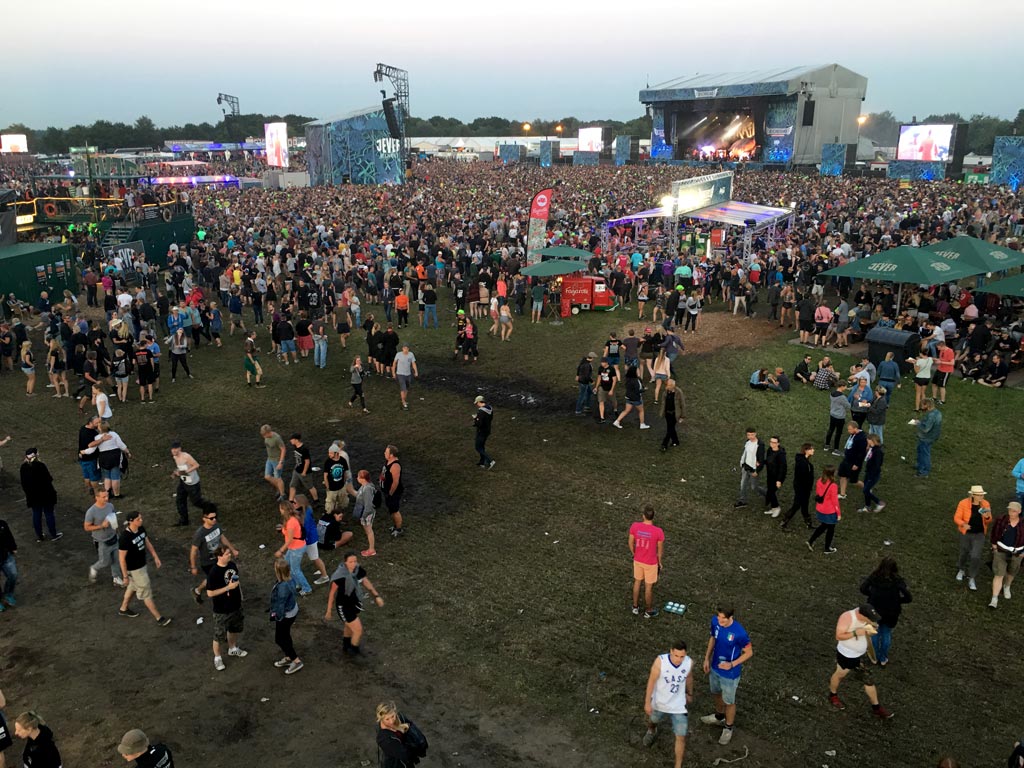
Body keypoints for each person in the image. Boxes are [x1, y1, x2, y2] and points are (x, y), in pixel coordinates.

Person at [699, 604, 752, 746]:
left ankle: (728, 727)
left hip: (730, 674)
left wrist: (731, 664)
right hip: (715, 667)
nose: (719, 620)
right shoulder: (715, 622)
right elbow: (713, 638)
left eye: (723, 618)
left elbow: (749, 652)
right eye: (718, 616)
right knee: (716, 692)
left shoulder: (739, 633)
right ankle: (719, 716)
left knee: (729, 701)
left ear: (731, 618)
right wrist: (706, 658)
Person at [642, 640, 694, 768]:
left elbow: (689, 677)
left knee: (681, 736)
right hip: (660, 701)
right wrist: (647, 702)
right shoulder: (660, 662)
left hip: (678, 705)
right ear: (671, 651)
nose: (679, 660)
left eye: (682, 656)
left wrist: (690, 693)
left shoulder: (688, 662)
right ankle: (651, 730)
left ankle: (678, 765)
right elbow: (651, 681)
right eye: (676, 656)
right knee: (653, 719)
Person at [324, 552, 385, 655]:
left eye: (355, 561)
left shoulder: (357, 569)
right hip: (344, 607)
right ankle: (354, 650)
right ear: (345, 562)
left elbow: (365, 581)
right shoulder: (340, 576)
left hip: (354, 603)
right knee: (358, 630)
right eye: (350, 562)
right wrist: (329, 611)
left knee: (349, 627)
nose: (353, 564)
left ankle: (346, 646)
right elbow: (332, 594)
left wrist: (376, 596)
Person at [117, 511, 171, 626]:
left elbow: (148, 543)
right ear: (131, 521)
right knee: (146, 592)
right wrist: (125, 576)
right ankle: (159, 618)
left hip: (141, 565)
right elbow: (121, 559)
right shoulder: (125, 538)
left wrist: (155, 556)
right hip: (135, 569)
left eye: (141, 518)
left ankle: (123, 608)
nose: (141, 520)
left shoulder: (141, 529)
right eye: (138, 519)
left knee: (132, 586)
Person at [859, 558, 912, 666]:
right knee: (886, 633)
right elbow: (908, 597)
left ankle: (874, 657)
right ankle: (883, 658)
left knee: (874, 634)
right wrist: (899, 601)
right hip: (891, 612)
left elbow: (863, 588)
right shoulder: (897, 580)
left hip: (875, 609)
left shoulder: (874, 577)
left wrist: (871, 595)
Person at [206, 544, 247, 671]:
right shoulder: (214, 572)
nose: (230, 555)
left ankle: (232, 648)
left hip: (235, 605)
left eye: (229, 553)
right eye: (227, 554)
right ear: (219, 556)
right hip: (221, 610)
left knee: (234, 629)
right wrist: (228, 588)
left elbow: (236, 581)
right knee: (219, 635)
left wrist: (240, 595)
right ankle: (217, 658)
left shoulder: (232, 566)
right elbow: (210, 593)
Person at [189, 508, 238, 603]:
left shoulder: (216, 526)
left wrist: (233, 549)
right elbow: (193, 551)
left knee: (214, 577)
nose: (214, 520)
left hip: (218, 558)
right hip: (207, 562)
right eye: (211, 518)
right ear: (204, 518)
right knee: (216, 578)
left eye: (215, 517)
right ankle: (221, 597)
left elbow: (222, 538)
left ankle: (197, 590)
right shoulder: (200, 534)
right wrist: (193, 566)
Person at [629, 504, 665, 618]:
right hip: (651, 563)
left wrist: (634, 553)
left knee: (637, 582)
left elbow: (630, 542)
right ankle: (648, 610)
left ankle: (635, 607)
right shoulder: (658, 532)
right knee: (648, 588)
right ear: (653, 517)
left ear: (643, 516)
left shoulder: (635, 526)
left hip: (638, 560)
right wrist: (660, 562)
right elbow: (660, 550)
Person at [954, 485, 992, 592]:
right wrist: (963, 524)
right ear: (972, 495)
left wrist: (987, 517)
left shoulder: (985, 504)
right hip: (966, 533)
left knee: (976, 556)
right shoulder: (963, 503)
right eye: (979, 495)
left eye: (982, 495)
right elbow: (957, 517)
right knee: (964, 552)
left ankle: (972, 577)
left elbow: (989, 520)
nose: (981, 497)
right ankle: (961, 569)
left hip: (979, 534)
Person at [83, 488, 124, 586]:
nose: (106, 498)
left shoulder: (110, 506)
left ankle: (116, 578)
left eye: (107, 496)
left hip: (114, 537)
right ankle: (94, 568)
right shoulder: (91, 511)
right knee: (105, 562)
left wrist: (117, 531)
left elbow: (113, 517)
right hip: (102, 541)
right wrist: (101, 526)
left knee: (116, 559)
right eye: (103, 497)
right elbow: (86, 527)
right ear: (96, 497)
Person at [19, 449, 61, 542]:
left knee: (36, 515)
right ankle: (53, 534)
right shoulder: (40, 465)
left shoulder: (23, 467)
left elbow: (23, 483)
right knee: (49, 514)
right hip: (46, 495)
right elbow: (49, 479)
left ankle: (39, 536)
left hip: (33, 497)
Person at [270, 558, 303, 674]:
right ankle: (289, 657)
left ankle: (296, 660)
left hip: (286, 615)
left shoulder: (283, 586)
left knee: (279, 639)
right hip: (293, 610)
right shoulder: (290, 578)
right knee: (285, 635)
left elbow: (280, 605)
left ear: (278, 571)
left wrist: (277, 616)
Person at [170, 442, 213, 527]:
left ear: (180, 449)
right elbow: (180, 467)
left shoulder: (186, 456)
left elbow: (196, 465)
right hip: (184, 481)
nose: (174, 451)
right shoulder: (175, 457)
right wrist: (176, 473)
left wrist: (184, 472)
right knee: (180, 500)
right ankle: (184, 520)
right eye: (172, 449)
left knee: (196, 502)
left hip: (193, 483)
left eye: (176, 449)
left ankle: (210, 507)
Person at [990, 502, 1024, 609]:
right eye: (1010, 510)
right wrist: (994, 547)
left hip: (1017, 553)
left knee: (1012, 571)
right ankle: (994, 599)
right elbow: (994, 533)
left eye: (1013, 511)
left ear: (1019, 511)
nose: (1011, 513)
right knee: (999, 574)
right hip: (1001, 550)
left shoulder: (1023, 524)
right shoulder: (1001, 520)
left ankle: (1007, 586)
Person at [274, 499, 312, 596]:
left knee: (295, 569)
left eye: (280, 509)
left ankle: (307, 588)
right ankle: (297, 583)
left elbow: (290, 539)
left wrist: (280, 550)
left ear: (284, 509)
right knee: (288, 565)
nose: (280, 510)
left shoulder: (291, 522)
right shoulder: (290, 519)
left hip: (296, 548)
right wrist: (282, 528)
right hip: (294, 547)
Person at [375, 702, 428, 768]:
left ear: (395, 713)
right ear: (381, 718)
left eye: (392, 716)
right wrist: (415, 746)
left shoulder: (400, 717)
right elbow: (405, 755)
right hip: (397, 764)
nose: (391, 721)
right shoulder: (384, 739)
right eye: (387, 719)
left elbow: (411, 725)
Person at [780, 443, 815, 530]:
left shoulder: (803, 461)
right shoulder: (803, 463)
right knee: (797, 505)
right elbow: (803, 478)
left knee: (805, 505)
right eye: (811, 449)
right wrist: (806, 487)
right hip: (802, 488)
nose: (813, 450)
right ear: (806, 450)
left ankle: (808, 523)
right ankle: (784, 522)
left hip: (804, 488)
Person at [807, 466, 840, 554]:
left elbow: (818, 493)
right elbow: (835, 501)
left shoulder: (819, 481)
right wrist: (838, 513)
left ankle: (811, 541)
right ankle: (827, 548)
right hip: (829, 511)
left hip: (820, 508)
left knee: (824, 526)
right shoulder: (833, 486)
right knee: (831, 529)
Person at [323, 443, 357, 516]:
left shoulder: (342, 460)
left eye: (331, 453)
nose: (329, 454)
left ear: (336, 453)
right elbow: (325, 476)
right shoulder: (328, 462)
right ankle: (330, 517)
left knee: (342, 503)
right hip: (332, 489)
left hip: (341, 487)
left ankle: (338, 515)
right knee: (329, 506)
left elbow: (345, 472)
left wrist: (344, 482)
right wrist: (328, 487)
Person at [734, 428, 765, 509]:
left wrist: (757, 471)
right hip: (745, 467)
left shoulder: (760, 444)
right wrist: (742, 462)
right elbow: (745, 452)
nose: (750, 437)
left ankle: (767, 494)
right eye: (748, 435)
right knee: (743, 485)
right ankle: (742, 501)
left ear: (755, 434)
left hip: (753, 469)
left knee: (754, 487)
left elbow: (761, 459)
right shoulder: (747, 442)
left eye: (752, 435)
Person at [912, 398, 942, 478]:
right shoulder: (937, 412)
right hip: (933, 436)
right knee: (920, 450)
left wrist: (917, 424)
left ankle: (924, 471)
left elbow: (926, 429)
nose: (922, 407)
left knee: (925, 454)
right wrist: (921, 422)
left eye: (922, 405)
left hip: (927, 438)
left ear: (927, 405)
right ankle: (919, 464)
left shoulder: (931, 415)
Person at [837, 422, 867, 499]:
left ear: (855, 429)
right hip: (847, 459)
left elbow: (862, 453)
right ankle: (842, 494)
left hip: (854, 462)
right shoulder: (854, 434)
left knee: (854, 481)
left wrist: (857, 464)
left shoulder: (861, 438)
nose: (848, 431)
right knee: (842, 475)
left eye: (850, 429)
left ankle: (867, 487)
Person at [381, 445, 405, 538]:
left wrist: (390, 493)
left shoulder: (395, 465)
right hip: (387, 492)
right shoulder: (388, 461)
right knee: (391, 510)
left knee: (395, 510)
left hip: (393, 493)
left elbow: (395, 482)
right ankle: (395, 526)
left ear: (391, 454)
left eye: (386, 452)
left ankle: (399, 529)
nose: (384, 453)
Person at [287, 433, 318, 503]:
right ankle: (291, 501)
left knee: (310, 486)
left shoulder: (304, 449)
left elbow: (307, 461)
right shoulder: (295, 447)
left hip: (304, 472)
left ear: (296, 440)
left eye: (291, 439)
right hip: (297, 470)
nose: (290, 441)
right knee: (292, 485)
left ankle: (316, 500)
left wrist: (304, 472)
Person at [859, 434, 885, 513]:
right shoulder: (873, 448)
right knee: (867, 490)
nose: (867, 441)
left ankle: (879, 503)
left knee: (865, 490)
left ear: (871, 440)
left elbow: (877, 465)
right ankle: (867, 506)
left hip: (873, 474)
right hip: (869, 472)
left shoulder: (877, 451)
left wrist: (871, 475)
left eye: (868, 440)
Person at [762, 436, 787, 518]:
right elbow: (768, 461)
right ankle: (773, 508)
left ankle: (776, 507)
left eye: (774, 442)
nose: (772, 444)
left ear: (778, 443)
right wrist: (762, 462)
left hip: (777, 477)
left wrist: (779, 480)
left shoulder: (781, 455)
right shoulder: (770, 450)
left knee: (771, 492)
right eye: (771, 442)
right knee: (770, 491)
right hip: (770, 475)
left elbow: (782, 468)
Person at [260, 424, 286, 498]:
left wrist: (280, 462)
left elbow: (283, 449)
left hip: (277, 460)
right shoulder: (267, 437)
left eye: (264, 435)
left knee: (278, 477)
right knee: (267, 477)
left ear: (268, 432)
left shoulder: (277, 438)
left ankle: (282, 495)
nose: (264, 437)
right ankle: (279, 488)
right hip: (270, 459)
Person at [658, 379, 685, 452]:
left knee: (670, 429)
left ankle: (664, 444)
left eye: (668, 385)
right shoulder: (665, 392)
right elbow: (663, 403)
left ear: (672, 386)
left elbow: (682, 404)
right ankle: (675, 441)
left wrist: (682, 416)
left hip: (675, 414)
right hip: (667, 413)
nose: (666, 386)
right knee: (670, 428)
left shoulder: (678, 392)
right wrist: (662, 412)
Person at [825, 382, 851, 454]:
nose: (846, 388)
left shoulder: (832, 393)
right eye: (845, 386)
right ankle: (836, 449)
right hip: (840, 417)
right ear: (842, 386)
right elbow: (848, 406)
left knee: (831, 429)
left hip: (832, 414)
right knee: (838, 433)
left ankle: (827, 445)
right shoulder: (842, 397)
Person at [393, 343, 419, 411]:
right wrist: (393, 372)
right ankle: (404, 402)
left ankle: (404, 399)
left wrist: (416, 371)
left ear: (408, 349)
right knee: (403, 388)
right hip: (400, 374)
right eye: (404, 348)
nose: (405, 350)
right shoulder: (398, 354)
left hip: (408, 374)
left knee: (406, 388)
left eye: (407, 348)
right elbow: (394, 363)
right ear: (402, 349)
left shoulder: (411, 355)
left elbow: (413, 363)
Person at [472, 395, 495, 469]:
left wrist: (476, 418)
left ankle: (490, 460)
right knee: (482, 446)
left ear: (479, 402)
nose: (476, 405)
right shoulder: (490, 408)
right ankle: (482, 462)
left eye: (477, 403)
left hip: (481, 431)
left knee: (478, 447)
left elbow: (479, 424)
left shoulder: (481, 411)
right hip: (487, 430)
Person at [594, 358, 618, 424]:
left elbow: (614, 380)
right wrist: (596, 387)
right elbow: (599, 377)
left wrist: (612, 390)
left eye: (603, 362)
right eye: (601, 362)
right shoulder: (600, 368)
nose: (602, 364)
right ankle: (602, 418)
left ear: (607, 362)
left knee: (614, 401)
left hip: (610, 388)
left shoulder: (612, 369)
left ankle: (615, 409)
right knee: (601, 402)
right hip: (602, 387)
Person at [0, 518, 16, 612]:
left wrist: (13, 547)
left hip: (5, 555)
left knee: (13, 575)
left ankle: (8, 594)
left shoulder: (2, 524)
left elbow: (9, 536)